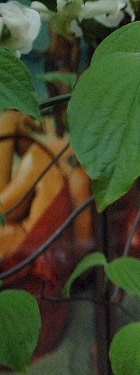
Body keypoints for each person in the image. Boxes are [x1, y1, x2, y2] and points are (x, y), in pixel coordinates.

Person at [0, 110, 94, 360]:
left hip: (37, 307)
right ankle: (18, 128)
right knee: (50, 158)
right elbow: (6, 212)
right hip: (32, 323)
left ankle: (18, 129)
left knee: (55, 160)